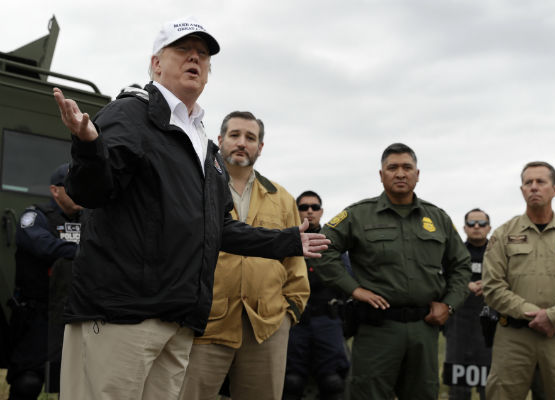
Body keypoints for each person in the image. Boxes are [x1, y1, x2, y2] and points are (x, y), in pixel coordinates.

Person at [52, 17, 328, 400]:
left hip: (178, 321)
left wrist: (287, 241)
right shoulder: (129, 114)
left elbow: (220, 228)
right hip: (122, 315)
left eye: (202, 55)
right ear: (156, 64)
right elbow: (90, 191)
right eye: (182, 50)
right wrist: (87, 148)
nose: (194, 59)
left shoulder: (204, 147)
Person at [312, 143, 471, 400]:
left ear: (417, 174)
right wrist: (353, 289)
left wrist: (449, 305)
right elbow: (321, 248)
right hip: (378, 329)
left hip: (424, 327)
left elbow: (461, 265)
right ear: (381, 174)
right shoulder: (358, 215)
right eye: (392, 167)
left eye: (407, 167)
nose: (400, 173)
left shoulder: (438, 218)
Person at [178, 111, 310, 400]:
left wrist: (290, 313)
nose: (242, 142)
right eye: (235, 135)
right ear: (220, 140)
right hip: (205, 323)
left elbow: (295, 261)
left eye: (250, 137)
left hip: (267, 325)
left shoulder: (282, 197)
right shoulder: (197, 187)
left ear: (260, 147)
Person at [482, 161, 555, 400]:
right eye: (528, 183)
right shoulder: (503, 235)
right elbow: (493, 287)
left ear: (554, 189)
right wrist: (534, 314)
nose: (534, 187)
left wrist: (553, 316)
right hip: (514, 337)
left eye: (540, 182)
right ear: (522, 190)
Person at [6, 163, 82, 400]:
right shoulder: (35, 217)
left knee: (73, 383)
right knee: (28, 381)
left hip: (75, 315)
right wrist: (85, 251)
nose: (79, 192)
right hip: (38, 315)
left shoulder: (90, 221)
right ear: (55, 190)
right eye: (72, 187)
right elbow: (43, 246)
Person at [283, 191, 350, 400]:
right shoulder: (283, 243)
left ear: (321, 211)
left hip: (327, 320)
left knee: (333, 383)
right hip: (294, 321)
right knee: (291, 382)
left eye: (314, 207)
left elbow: (347, 283)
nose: (309, 211)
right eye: (303, 207)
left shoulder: (333, 245)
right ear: (296, 211)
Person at [443, 208, 492, 400]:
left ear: (489, 227)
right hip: (458, 328)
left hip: (490, 329)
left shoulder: (499, 255)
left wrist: (490, 285)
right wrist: (465, 285)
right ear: (464, 228)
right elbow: (441, 281)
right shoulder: (453, 255)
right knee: (458, 390)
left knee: (489, 389)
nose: (477, 227)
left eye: (481, 223)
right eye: (472, 224)